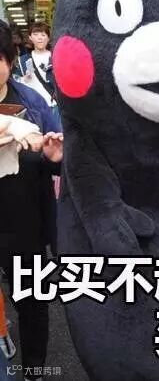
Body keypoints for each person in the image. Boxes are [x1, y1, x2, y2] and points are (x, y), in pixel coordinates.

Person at [0, 21, 63, 381]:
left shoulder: (33, 103)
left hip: (27, 227)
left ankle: (34, 371)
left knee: (33, 305)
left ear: (10, 61)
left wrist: (55, 158)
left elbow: (59, 159)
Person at [13, 22, 57, 110]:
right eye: (36, 35)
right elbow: (14, 80)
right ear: (30, 37)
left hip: (54, 104)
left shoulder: (56, 57)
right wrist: (23, 79)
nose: (40, 38)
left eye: (43, 35)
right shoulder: (23, 60)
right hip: (33, 107)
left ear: (48, 38)